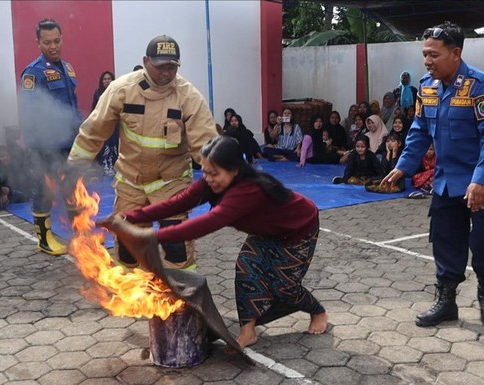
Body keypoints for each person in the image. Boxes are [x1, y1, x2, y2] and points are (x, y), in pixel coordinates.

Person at [102, 135, 328, 349]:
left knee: (284, 287)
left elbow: (208, 223)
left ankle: (317, 311)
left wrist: (153, 237)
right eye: (205, 172)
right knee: (247, 268)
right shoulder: (212, 183)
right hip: (267, 232)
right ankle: (248, 331)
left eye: (214, 173)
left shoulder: (247, 191)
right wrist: (130, 216)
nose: (208, 178)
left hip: (299, 229)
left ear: (235, 169)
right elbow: (177, 203)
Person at [381, 21, 484, 328]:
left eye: (433, 55)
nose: (427, 61)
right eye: (425, 54)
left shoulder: (481, 86)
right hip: (447, 180)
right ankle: (447, 301)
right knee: (445, 239)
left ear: (455, 53)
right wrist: (403, 165)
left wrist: (480, 180)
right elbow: (419, 130)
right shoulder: (426, 87)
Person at [67, 34, 219, 270]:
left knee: (177, 249)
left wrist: (221, 179)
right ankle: (133, 298)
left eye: (171, 67)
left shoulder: (189, 97)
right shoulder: (122, 90)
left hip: (171, 184)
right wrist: (74, 168)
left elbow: (206, 144)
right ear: (146, 61)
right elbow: (94, 131)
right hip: (131, 182)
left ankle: (182, 296)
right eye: (160, 66)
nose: (166, 73)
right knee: (129, 247)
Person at [19, 19, 83, 255]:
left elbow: (72, 105)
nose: (54, 46)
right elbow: (29, 112)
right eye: (47, 42)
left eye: (57, 41)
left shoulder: (67, 68)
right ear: (38, 43)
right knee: (44, 190)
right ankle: (44, 240)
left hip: (69, 142)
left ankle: (79, 237)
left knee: (71, 189)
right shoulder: (33, 72)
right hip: (46, 145)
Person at [91, 71, 119, 175]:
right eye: (105, 79)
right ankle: (104, 166)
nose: (107, 81)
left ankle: (115, 166)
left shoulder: (117, 92)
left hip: (115, 124)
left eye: (109, 79)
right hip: (102, 125)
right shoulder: (98, 93)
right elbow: (93, 109)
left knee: (114, 145)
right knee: (104, 145)